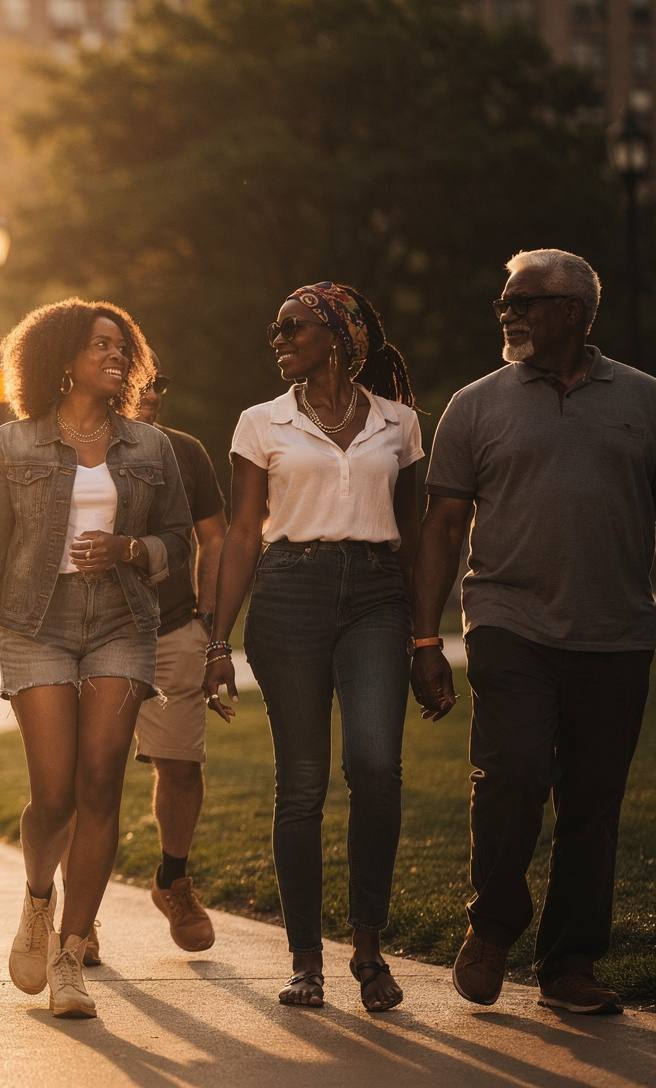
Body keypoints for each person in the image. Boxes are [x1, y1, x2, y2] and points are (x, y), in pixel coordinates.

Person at [411, 249, 656, 1015]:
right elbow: (444, 526)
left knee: (592, 802)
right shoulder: (476, 404)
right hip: (509, 621)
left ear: (576, 311)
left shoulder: (645, 400)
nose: (508, 313)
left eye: (525, 301)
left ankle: (568, 965)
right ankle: (493, 925)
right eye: (503, 303)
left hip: (616, 630)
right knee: (512, 773)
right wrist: (425, 640)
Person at [0, 299, 191, 1019]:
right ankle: (36, 900)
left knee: (100, 782)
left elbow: (180, 540)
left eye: (123, 345)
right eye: (101, 345)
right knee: (53, 794)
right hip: (35, 623)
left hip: (121, 620)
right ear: (61, 359)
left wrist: (130, 550)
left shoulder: (150, 448)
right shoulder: (12, 446)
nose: (117, 356)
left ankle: (72, 955)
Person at [205, 282, 422, 1013]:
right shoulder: (259, 423)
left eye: (291, 326)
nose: (278, 338)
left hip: (375, 595)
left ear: (337, 335)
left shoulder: (400, 424)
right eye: (276, 328)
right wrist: (216, 641)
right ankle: (306, 962)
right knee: (301, 783)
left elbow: (416, 535)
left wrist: (426, 637)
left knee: (375, 767)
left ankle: (367, 947)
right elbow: (241, 533)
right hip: (289, 591)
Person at [66, 358, 228, 967]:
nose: (152, 394)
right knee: (88, 775)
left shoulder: (185, 453)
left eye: (160, 382)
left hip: (172, 629)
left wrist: (210, 627)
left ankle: (173, 881)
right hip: (86, 632)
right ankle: (79, 915)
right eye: (139, 382)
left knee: (182, 765)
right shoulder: (70, 449)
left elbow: (216, 538)